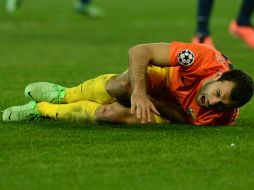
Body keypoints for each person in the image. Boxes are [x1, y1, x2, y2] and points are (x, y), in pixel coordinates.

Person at [2, 42, 254, 125]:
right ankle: (62, 94)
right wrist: (140, 94)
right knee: (120, 88)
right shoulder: (203, 58)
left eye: (222, 104)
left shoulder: (220, 117)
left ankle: (41, 110)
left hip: (166, 109)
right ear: (217, 77)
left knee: (106, 114)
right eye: (217, 94)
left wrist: (151, 102)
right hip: (163, 77)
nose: (213, 103)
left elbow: (181, 117)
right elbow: (139, 51)